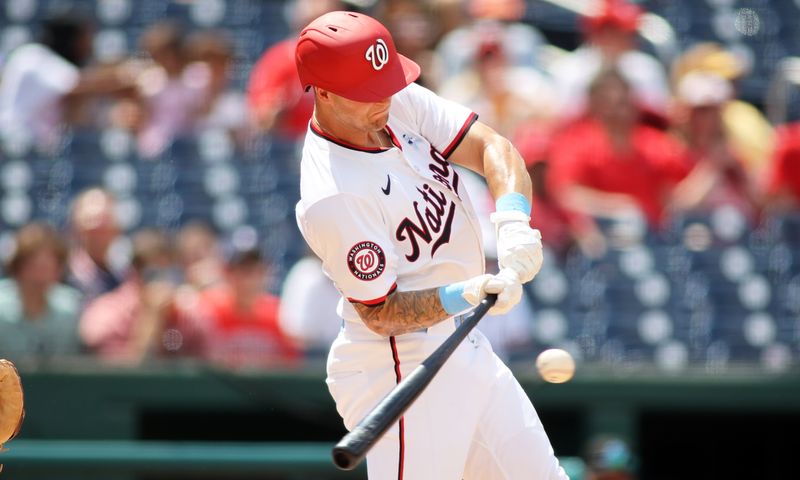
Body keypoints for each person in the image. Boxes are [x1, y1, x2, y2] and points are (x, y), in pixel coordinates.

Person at [294, 11, 566, 479]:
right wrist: (465, 293)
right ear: (323, 92)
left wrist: (514, 220)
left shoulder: (393, 101)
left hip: (461, 342)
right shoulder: (332, 194)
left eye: (384, 83)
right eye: (366, 92)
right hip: (399, 362)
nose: (383, 98)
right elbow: (381, 313)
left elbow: (491, 148)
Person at [0, 13, 134, 149]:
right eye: (84, 40)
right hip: (14, 141)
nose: (88, 47)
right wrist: (127, 76)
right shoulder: (34, 56)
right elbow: (77, 84)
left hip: (33, 145)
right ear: (69, 40)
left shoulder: (47, 60)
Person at [79, 229, 206, 364]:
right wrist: (151, 317)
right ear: (135, 272)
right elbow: (122, 377)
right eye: (153, 274)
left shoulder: (182, 312)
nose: (162, 282)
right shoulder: (106, 313)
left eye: (167, 273)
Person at [199, 244, 298, 369]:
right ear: (228, 273)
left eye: (259, 272)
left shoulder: (278, 314)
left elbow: (291, 367)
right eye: (246, 272)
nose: (252, 281)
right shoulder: (207, 310)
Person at [0, 223, 82, 363]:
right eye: (33, 267)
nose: (40, 277)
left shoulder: (72, 308)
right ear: (17, 268)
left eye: (47, 268)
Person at [67, 188, 126, 305]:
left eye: (104, 224)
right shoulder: (63, 273)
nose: (98, 234)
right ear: (75, 228)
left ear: (117, 231)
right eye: (90, 222)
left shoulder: (124, 274)